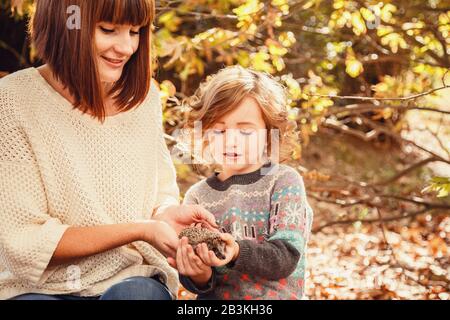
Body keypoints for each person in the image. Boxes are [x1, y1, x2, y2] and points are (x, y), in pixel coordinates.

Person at [0, 0, 216, 300]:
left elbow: (157, 197)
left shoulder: (144, 100)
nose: (126, 47)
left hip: (131, 280)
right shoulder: (14, 100)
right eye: (108, 30)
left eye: (135, 31)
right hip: (38, 289)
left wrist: (165, 215)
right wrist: (140, 230)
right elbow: (25, 243)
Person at [168, 66, 314, 300]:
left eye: (245, 132)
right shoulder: (197, 197)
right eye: (219, 130)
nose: (231, 141)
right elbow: (200, 281)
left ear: (269, 133)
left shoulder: (283, 181)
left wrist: (236, 250)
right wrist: (199, 274)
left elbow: (286, 255)